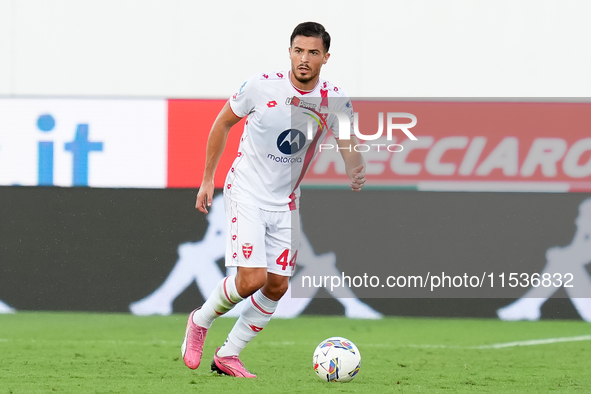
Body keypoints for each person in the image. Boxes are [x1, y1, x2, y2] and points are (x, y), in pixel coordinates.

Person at [181, 21, 366, 378]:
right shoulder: (260, 86)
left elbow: (347, 142)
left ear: (326, 58)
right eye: (298, 50)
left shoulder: (335, 99)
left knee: (278, 285)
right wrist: (208, 178)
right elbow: (222, 123)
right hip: (247, 192)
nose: (304, 59)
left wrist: (354, 166)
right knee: (251, 279)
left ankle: (228, 355)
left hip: (286, 201)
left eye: (313, 53)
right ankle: (199, 321)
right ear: (290, 52)